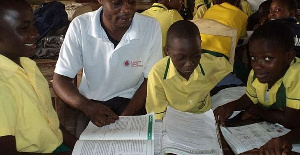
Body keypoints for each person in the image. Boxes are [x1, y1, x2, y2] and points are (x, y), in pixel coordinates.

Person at [53, 0, 163, 136]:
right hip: (91, 104)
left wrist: (126, 116)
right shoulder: (80, 26)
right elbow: (60, 80)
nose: (126, 9)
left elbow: (150, 80)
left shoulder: (150, 27)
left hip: (133, 102)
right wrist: (87, 107)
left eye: (132, 2)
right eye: (117, 3)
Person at [0, 0, 77, 153]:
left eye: (33, 24)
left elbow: (51, 123)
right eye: (23, 28)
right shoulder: (3, 85)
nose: (36, 33)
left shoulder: (28, 65)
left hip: (56, 146)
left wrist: (82, 146)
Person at [214, 21, 300, 130]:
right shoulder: (257, 74)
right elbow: (251, 97)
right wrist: (231, 106)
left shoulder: (296, 75)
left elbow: (290, 121)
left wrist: (256, 110)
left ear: (289, 57)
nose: (257, 65)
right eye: (253, 57)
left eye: (268, 58)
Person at [146, 20, 232, 119]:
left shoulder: (211, 63)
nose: (189, 64)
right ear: (167, 51)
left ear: (200, 46)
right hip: (174, 121)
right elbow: (157, 113)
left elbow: (231, 72)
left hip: (203, 119)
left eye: (196, 56)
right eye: (180, 58)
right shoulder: (157, 74)